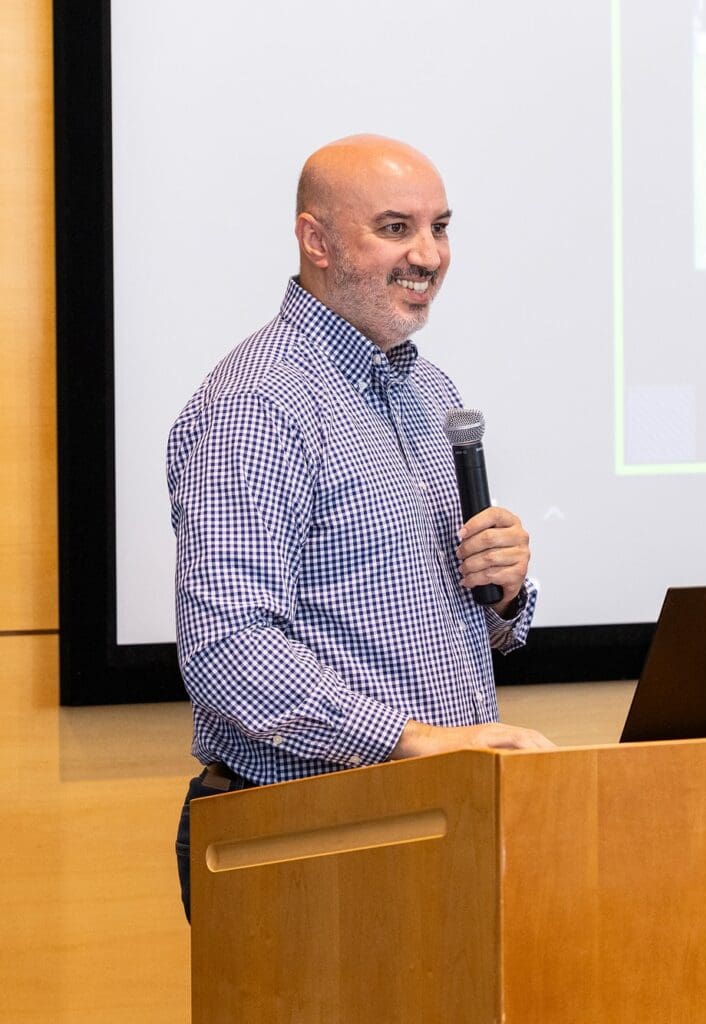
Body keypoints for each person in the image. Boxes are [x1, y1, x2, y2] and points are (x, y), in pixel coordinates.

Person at [169, 135, 553, 921]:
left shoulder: (426, 389)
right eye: (395, 228)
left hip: (433, 821)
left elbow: (422, 617)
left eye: (440, 227)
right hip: (308, 834)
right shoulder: (261, 403)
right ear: (316, 239)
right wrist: (414, 741)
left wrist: (504, 592)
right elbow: (226, 649)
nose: (429, 255)